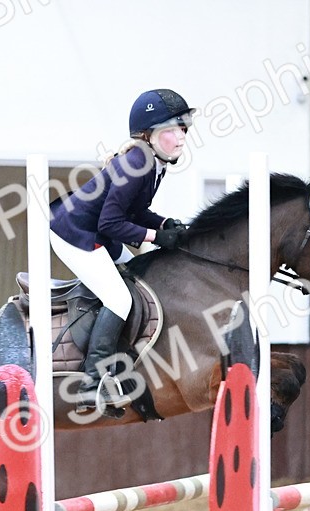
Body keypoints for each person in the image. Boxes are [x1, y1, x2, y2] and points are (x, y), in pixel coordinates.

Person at [49, 88, 195, 417]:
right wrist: (157, 237)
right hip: (74, 233)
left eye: (183, 128)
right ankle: (91, 382)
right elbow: (113, 221)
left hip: (97, 230)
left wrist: (165, 223)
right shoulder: (137, 163)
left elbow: (136, 210)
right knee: (120, 299)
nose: (182, 137)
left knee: (140, 281)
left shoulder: (154, 161)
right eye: (172, 130)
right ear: (149, 135)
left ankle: (117, 368)